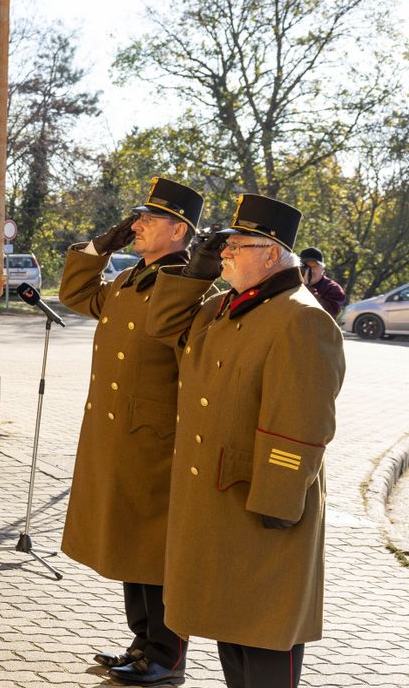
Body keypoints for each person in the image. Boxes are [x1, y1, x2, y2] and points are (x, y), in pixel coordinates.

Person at [146, 194, 345, 688]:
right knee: (231, 634)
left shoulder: (301, 318)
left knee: (265, 642)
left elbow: (303, 421)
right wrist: (197, 271)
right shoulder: (222, 305)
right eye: (225, 246)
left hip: (261, 507)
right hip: (219, 500)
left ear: (273, 254)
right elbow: (162, 326)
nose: (227, 253)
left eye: (237, 246)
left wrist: (276, 500)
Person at [58, 177, 204, 687]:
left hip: (158, 442)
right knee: (129, 547)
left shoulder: (186, 286)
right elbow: (76, 294)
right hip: (119, 437)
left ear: (179, 230)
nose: (136, 225)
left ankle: (167, 655)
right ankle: (142, 643)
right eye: (136, 217)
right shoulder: (127, 279)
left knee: (157, 553)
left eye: (147, 219)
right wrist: (102, 246)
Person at [298, 246, 346, 317]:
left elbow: (328, 314)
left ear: (322, 269)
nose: (310, 271)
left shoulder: (334, 289)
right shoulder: (292, 284)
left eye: (314, 266)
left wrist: (306, 288)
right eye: (305, 267)